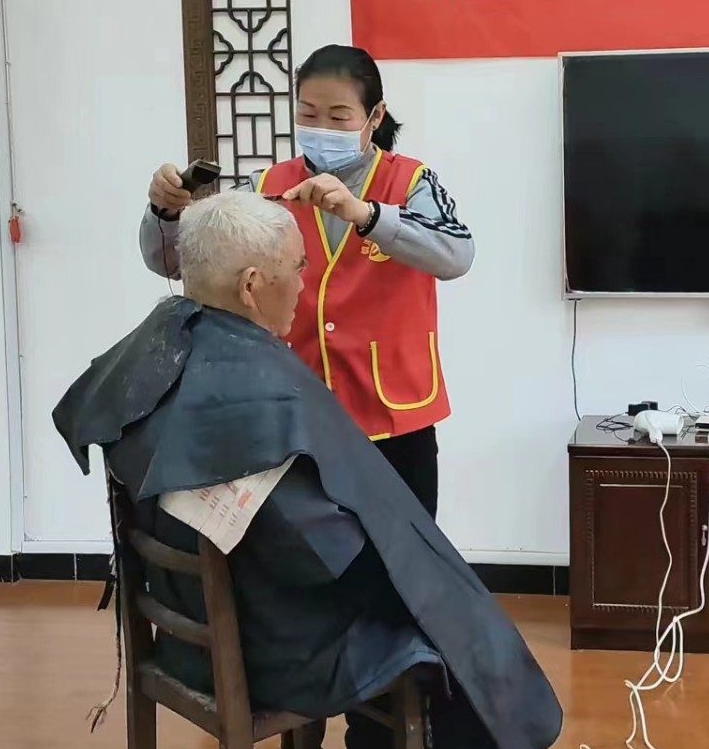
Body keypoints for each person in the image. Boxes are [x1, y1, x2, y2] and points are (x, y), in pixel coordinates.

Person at [55, 192, 557, 749]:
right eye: (297, 268)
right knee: (455, 624)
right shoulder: (255, 397)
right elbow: (325, 556)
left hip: (183, 632)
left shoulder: (155, 351)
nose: (304, 282)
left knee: (430, 593)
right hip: (266, 650)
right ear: (251, 285)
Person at [141, 44, 470, 522]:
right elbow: (176, 261)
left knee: (405, 550)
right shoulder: (267, 186)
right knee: (312, 552)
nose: (322, 128)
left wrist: (366, 214)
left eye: (339, 117)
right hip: (294, 414)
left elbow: (456, 254)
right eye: (309, 114)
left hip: (394, 415)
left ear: (375, 116)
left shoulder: (411, 181)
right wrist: (165, 212)